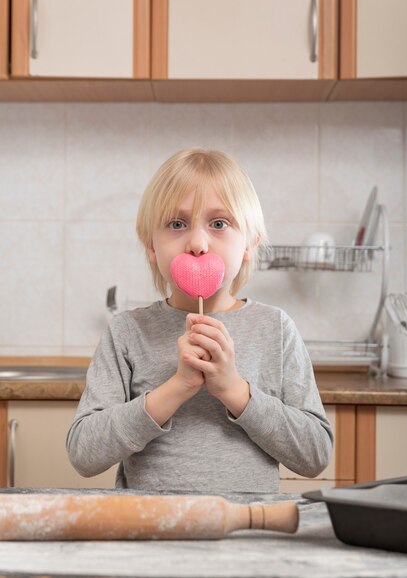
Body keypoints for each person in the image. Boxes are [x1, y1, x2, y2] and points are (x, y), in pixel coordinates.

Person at [66, 148, 333, 493]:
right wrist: (178, 387)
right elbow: (84, 454)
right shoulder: (127, 332)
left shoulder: (276, 329)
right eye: (176, 224)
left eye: (219, 224)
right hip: (151, 533)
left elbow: (315, 454)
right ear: (151, 245)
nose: (197, 243)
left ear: (250, 243)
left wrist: (234, 390)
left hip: (246, 533)